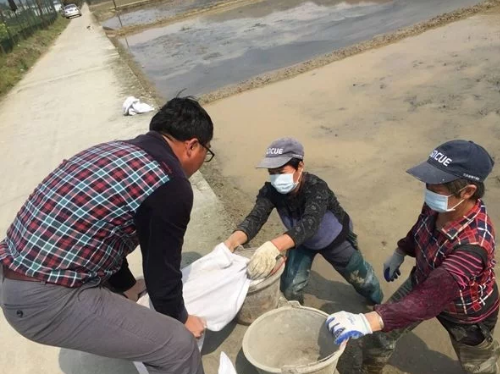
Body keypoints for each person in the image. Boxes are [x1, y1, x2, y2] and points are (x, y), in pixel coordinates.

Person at [0, 97, 216, 374]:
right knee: (177, 347)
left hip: (14, 274)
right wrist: (180, 319)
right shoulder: (169, 181)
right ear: (193, 145)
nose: (202, 161)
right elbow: (161, 271)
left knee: (134, 301)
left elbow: (103, 233)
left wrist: (126, 284)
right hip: (43, 300)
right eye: (206, 152)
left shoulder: (114, 151)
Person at [326, 140, 500, 374]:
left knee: (478, 365)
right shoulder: (441, 204)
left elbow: (428, 301)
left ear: (467, 191)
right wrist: (401, 251)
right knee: (380, 335)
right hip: (424, 279)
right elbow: (421, 228)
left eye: (435, 185)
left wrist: (366, 320)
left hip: (465, 311)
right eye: (428, 182)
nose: (428, 189)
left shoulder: (474, 244)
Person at [224, 137, 383, 305]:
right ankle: (295, 313)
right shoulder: (270, 192)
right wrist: (231, 242)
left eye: (281, 171)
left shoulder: (316, 188)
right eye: (272, 173)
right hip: (299, 241)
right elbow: (255, 218)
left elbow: (310, 223)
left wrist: (273, 246)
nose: (276, 178)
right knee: (290, 287)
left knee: (363, 280)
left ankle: (378, 302)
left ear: (299, 166)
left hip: (335, 240)